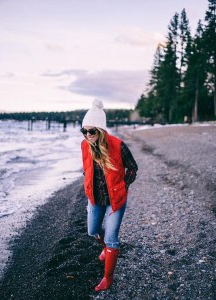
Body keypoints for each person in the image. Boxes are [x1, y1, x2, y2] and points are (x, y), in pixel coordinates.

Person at [80, 99, 138, 292]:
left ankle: (108, 278)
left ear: (101, 130)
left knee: (112, 238)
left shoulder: (118, 145)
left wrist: (123, 185)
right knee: (93, 231)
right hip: (95, 198)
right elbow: (86, 169)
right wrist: (86, 182)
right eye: (84, 131)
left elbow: (133, 168)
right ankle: (105, 247)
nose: (87, 135)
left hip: (116, 199)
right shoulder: (84, 146)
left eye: (91, 131)